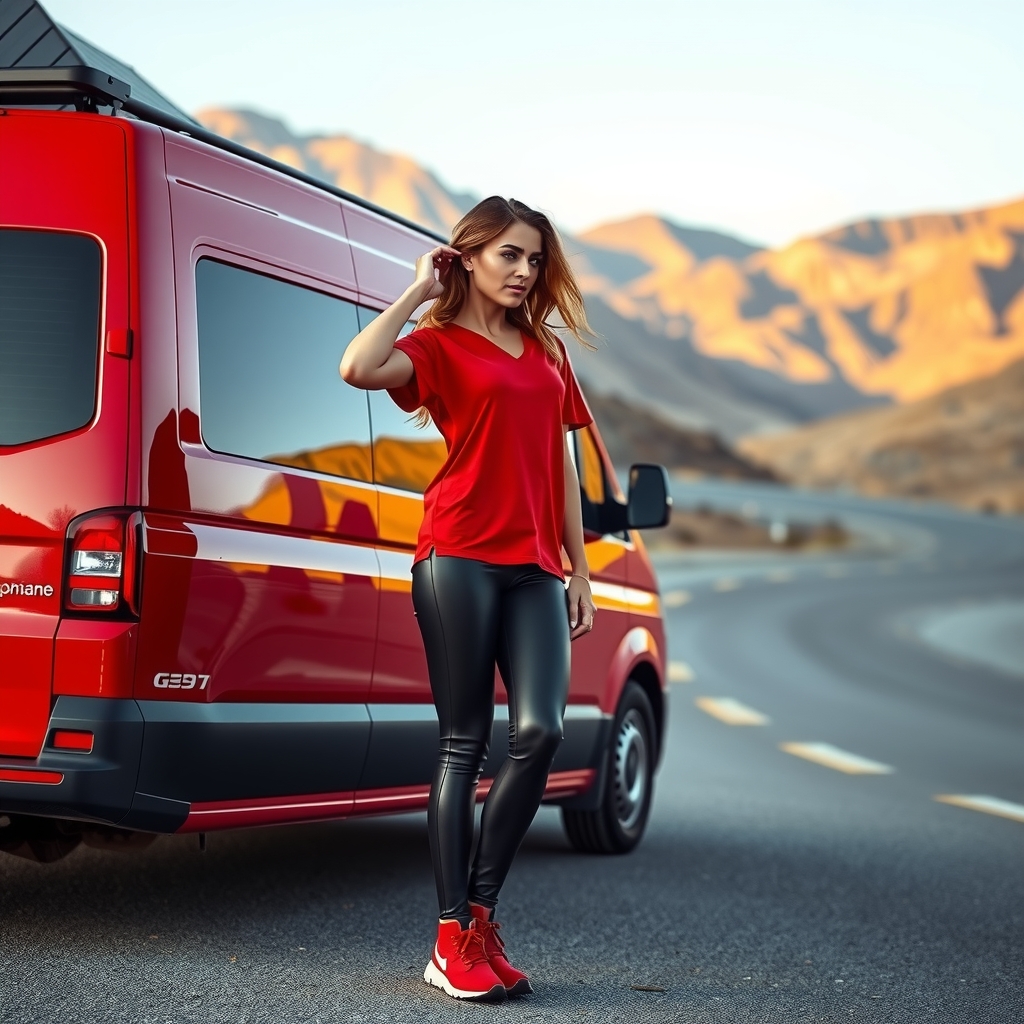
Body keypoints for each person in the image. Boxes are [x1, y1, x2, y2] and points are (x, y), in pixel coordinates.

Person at [340, 196, 598, 1002]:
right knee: (464, 740)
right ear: (470, 257)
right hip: (456, 556)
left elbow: (560, 463)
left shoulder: (547, 350)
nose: (525, 272)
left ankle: (479, 916)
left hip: (532, 567)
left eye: (534, 260)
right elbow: (356, 366)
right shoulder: (438, 345)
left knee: (541, 731)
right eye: (510, 256)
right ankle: (451, 936)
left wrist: (578, 566)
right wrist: (420, 290)